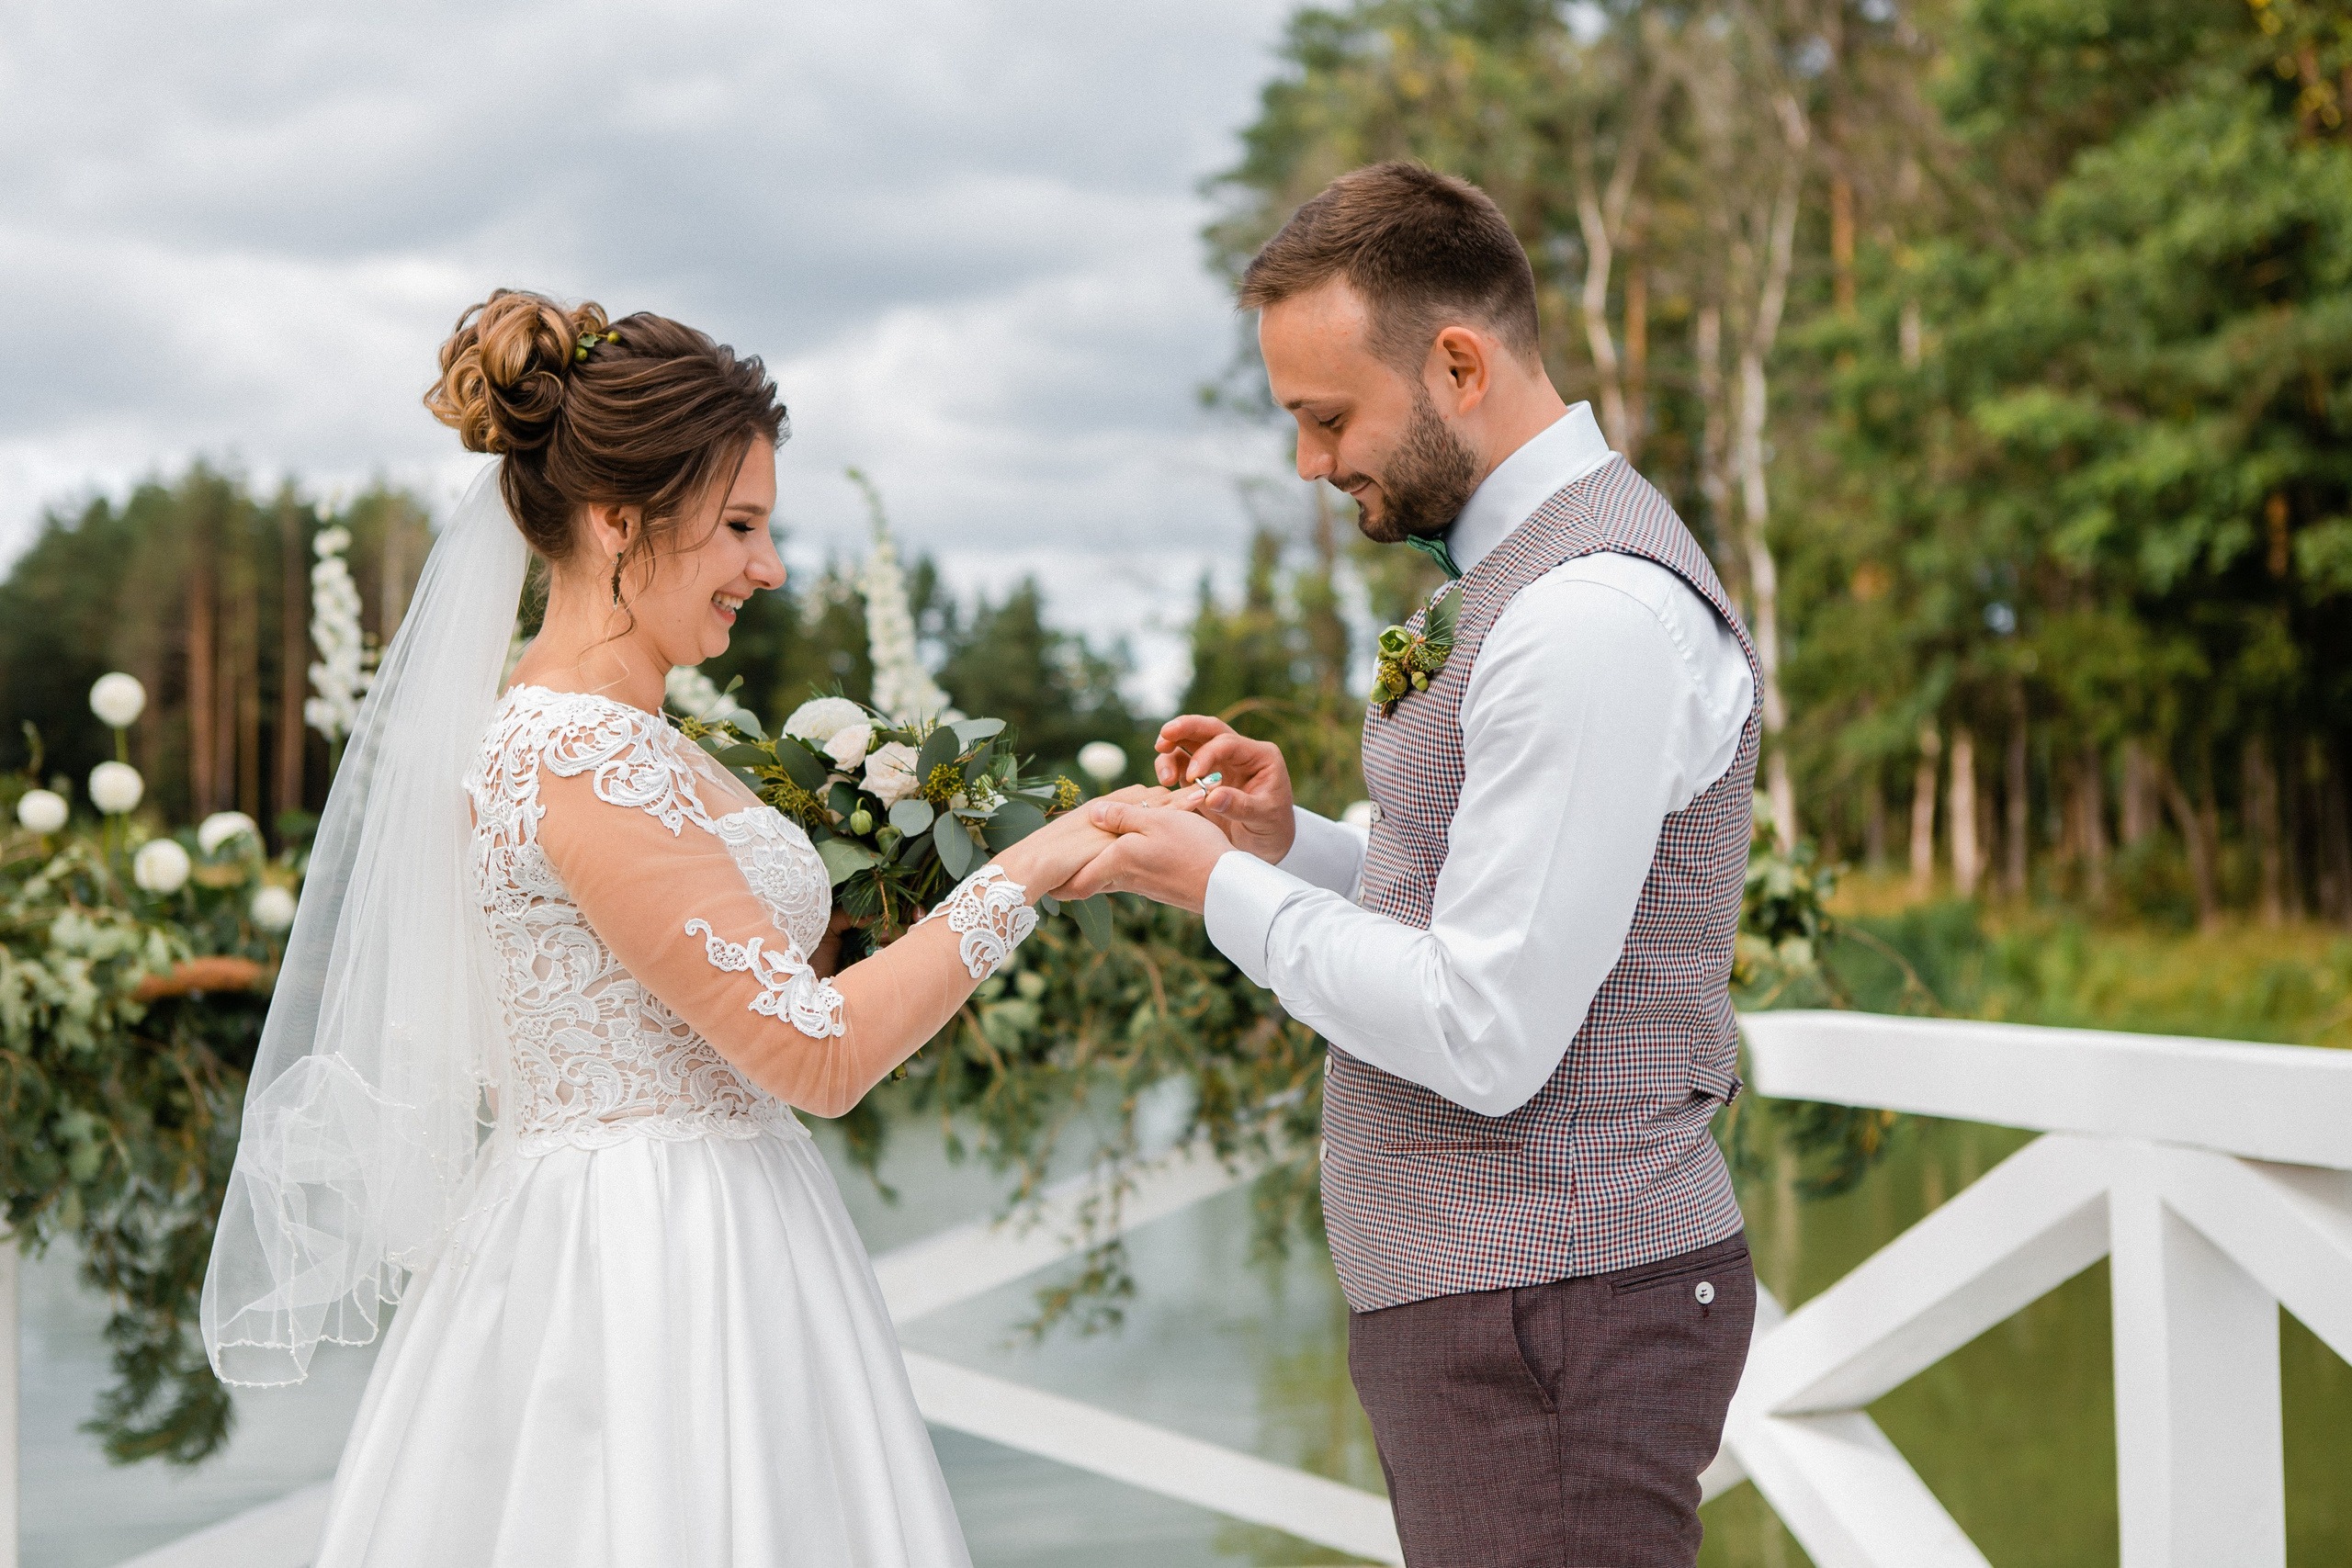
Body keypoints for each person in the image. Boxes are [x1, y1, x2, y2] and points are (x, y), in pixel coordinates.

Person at [199, 289, 1115, 1566]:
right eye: (740, 525)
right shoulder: (581, 753)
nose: (770, 566)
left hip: (702, 1229)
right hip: (648, 1272)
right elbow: (817, 1056)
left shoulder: (625, 738)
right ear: (618, 519)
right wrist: (1030, 867)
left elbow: (723, 982)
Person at [1063, 164, 1761, 1567]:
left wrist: (1217, 892)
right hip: (1514, 1307)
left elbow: (1485, 1028)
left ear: (1456, 363)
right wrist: (1289, 845)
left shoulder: (1587, 619)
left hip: (1559, 1308)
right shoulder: (1506, 588)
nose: (1312, 465)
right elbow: (1482, 890)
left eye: (1328, 419)